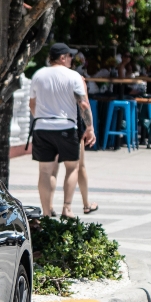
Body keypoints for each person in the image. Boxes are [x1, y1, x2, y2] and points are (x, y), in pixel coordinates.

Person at [29, 43, 97, 218]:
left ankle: (46, 211)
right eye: (69, 57)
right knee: (72, 168)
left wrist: (42, 118)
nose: (71, 60)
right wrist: (90, 128)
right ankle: (67, 207)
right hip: (66, 127)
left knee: (45, 171)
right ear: (62, 57)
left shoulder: (38, 75)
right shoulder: (73, 76)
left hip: (41, 127)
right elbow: (83, 104)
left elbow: (32, 104)